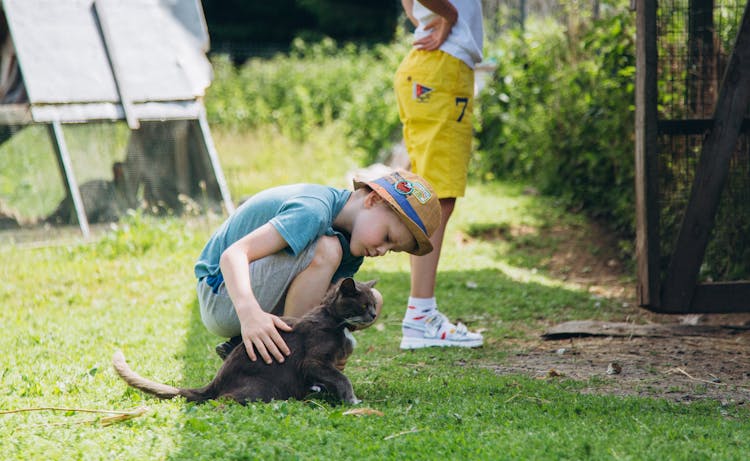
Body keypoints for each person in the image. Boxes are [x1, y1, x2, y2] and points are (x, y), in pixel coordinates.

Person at [194, 169, 441, 364]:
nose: (381, 251)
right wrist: (250, 316)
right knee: (327, 249)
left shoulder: (352, 246)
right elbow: (234, 255)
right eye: (387, 237)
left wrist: (331, 351)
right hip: (223, 292)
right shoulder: (314, 210)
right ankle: (291, 359)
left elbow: (326, 308)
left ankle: (258, 349)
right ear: (373, 200)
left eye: (392, 250)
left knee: (372, 298)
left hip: (254, 293)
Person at [395, 0, 484, 349]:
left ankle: (421, 313)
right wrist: (448, 16)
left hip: (432, 68)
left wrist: (427, 16)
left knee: (429, 194)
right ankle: (420, 316)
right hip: (441, 69)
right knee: (436, 197)